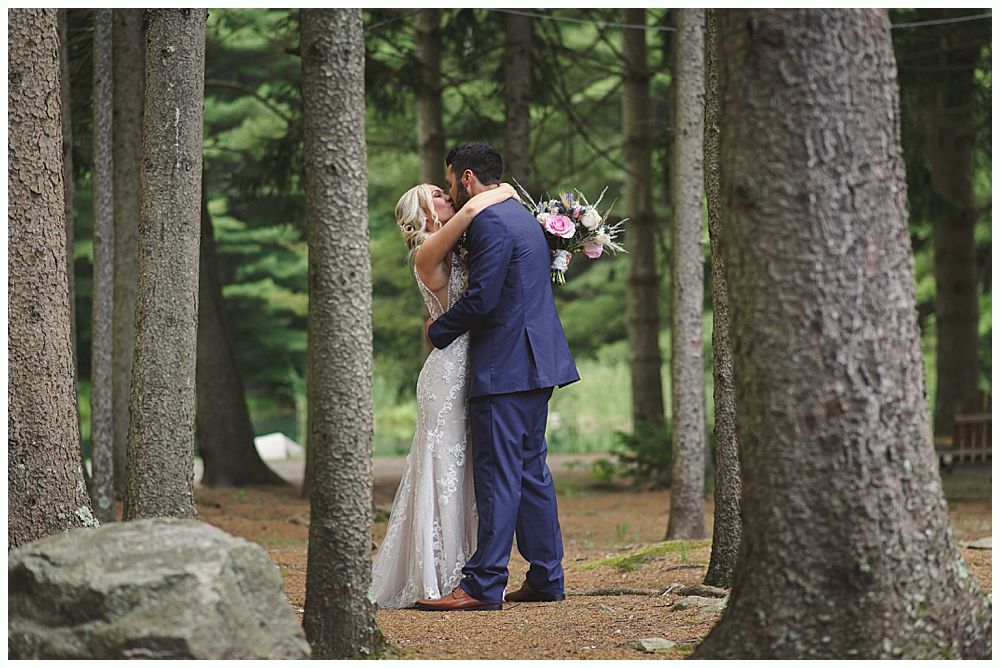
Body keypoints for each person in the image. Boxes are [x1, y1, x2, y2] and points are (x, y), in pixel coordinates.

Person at [415, 142, 580, 612]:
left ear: (467, 178)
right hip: (538, 361)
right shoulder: (516, 212)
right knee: (531, 471)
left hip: (505, 366)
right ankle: (548, 575)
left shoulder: (488, 221)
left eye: (450, 181)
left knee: (498, 476)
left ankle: (484, 585)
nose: (449, 189)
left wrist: (438, 331)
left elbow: (483, 297)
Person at [369, 180, 518, 609]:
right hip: (447, 372)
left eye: (445, 189)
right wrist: (502, 189)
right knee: (442, 467)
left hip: (479, 364)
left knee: (470, 469)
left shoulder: (463, 248)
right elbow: (471, 212)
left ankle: (471, 568)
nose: (447, 196)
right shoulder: (428, 251)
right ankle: (437, 571)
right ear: (422, 212)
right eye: (435, 194)